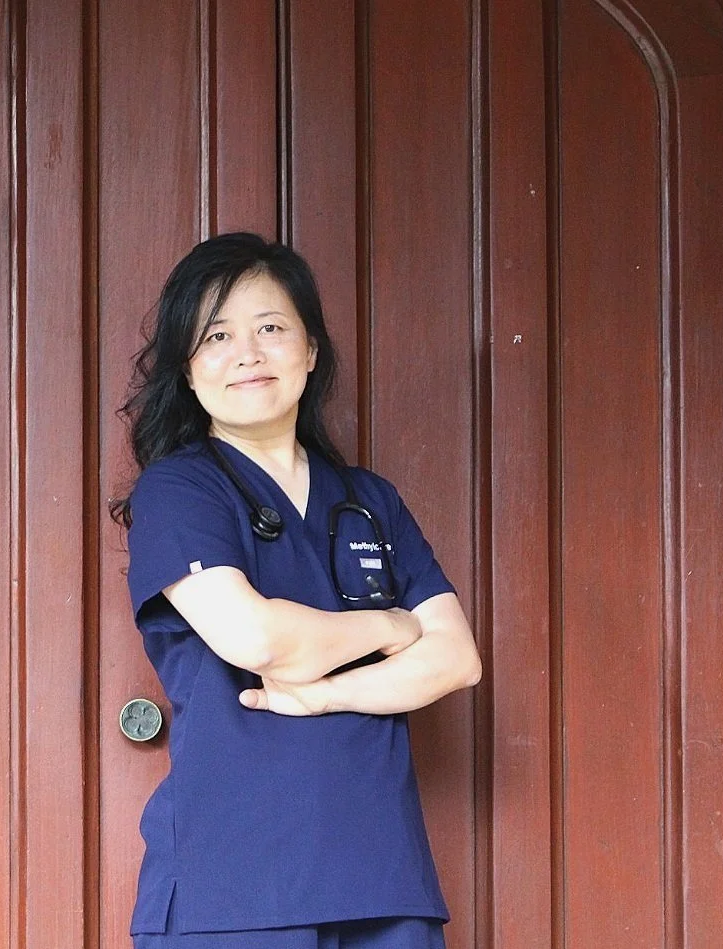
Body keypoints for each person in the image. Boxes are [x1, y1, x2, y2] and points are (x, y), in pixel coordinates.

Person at [112, 232, 481, 949]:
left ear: (310, 349)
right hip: (237, 884)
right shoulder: (181, 491)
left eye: (271, 328)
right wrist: (391, 627)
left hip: (383, 877)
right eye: (217, 336)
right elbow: (255, 639)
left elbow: (456, 659)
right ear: (188, 369)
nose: (247, 353)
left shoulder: (370, 499)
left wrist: (322, 693)